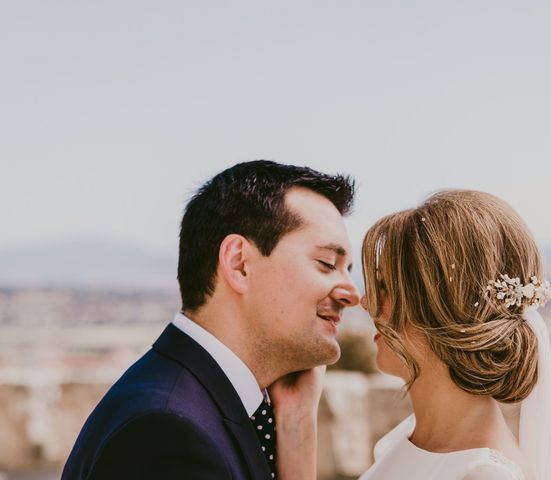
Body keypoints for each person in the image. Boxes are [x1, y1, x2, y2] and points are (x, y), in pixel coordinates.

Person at [62, 160, 360, 480]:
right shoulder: (168, 434)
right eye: (328, 263)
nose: (353, 294)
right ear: (239, 264)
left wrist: (297, 424)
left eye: (348, 270)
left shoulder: (202, 404)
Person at [355, 189, 551, 480]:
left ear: (442, 308)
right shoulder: (411, 439)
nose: (366, 302)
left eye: (385, 287)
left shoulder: (483, 474)